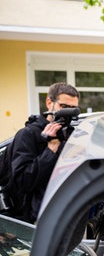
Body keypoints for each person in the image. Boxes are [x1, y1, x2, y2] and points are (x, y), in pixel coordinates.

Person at [11, 82, 80, 223]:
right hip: (34, 220)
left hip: (64, 214)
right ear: (49, 103)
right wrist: (51, 149)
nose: (67, 113)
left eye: (73, 109)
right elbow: (23, 182)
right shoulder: (28, 135)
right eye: (64, 107)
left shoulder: (69, 135)